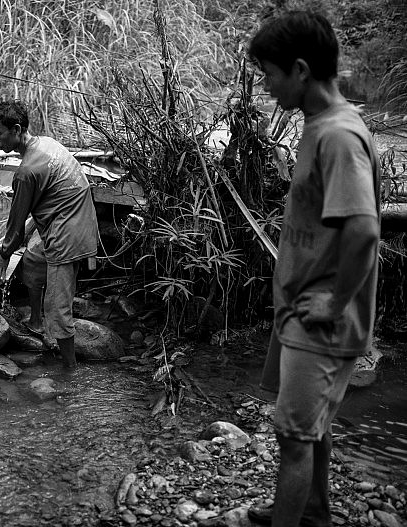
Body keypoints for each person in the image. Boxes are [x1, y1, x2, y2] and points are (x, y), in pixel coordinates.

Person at [247, 11, 381, 527]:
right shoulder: (318, 125)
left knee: (293, 436)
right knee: (312, 427)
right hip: (300, 308)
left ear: (300, 70)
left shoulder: (339, 136)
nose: (265, 85)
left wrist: (333, 301)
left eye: (270, 74)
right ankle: (313, 513)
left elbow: (364, 231)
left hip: (321, 318)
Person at [0, 100, 98, 369]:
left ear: (16, 130)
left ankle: (70, 370)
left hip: (68, 235)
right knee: (34, 260)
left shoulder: (27, 172)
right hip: (75, 220)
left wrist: (4, 254)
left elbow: (16, 219)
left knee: (58, 310)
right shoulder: (46, 143)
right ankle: (36, 322)